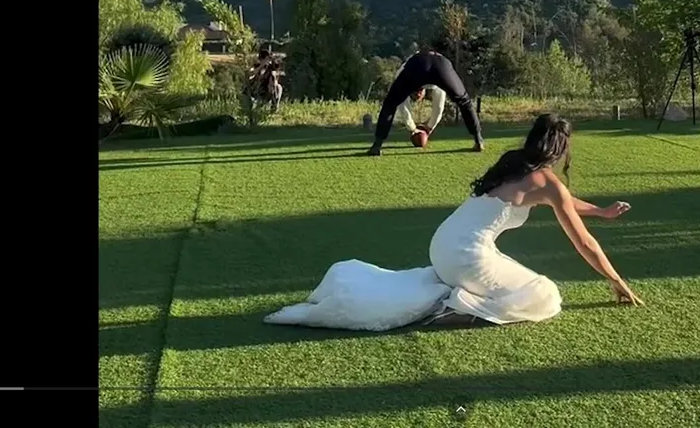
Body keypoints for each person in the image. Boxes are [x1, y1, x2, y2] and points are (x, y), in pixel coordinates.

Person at [263, 113, 643, 332]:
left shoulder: (513, 162)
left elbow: (564, 203)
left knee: (516, 277)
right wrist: (617, 281)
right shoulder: (547, 182)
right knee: (544, 294)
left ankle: (451, 297)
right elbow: (584, 242)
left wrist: (601, 211)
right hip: (465, 257)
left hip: (443, 246)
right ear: (561, 148)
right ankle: (452, 307)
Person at [368, 49, 483, 156]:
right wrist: (416, 128)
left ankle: (376, 146)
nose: (417, 96)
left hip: (421, 64)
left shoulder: (403, 70)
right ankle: (478, 141)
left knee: (390, 104)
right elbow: (438, 106)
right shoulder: (432, 83)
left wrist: (424, 128)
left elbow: (400, 104)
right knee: (464, 101)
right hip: (441, 65)